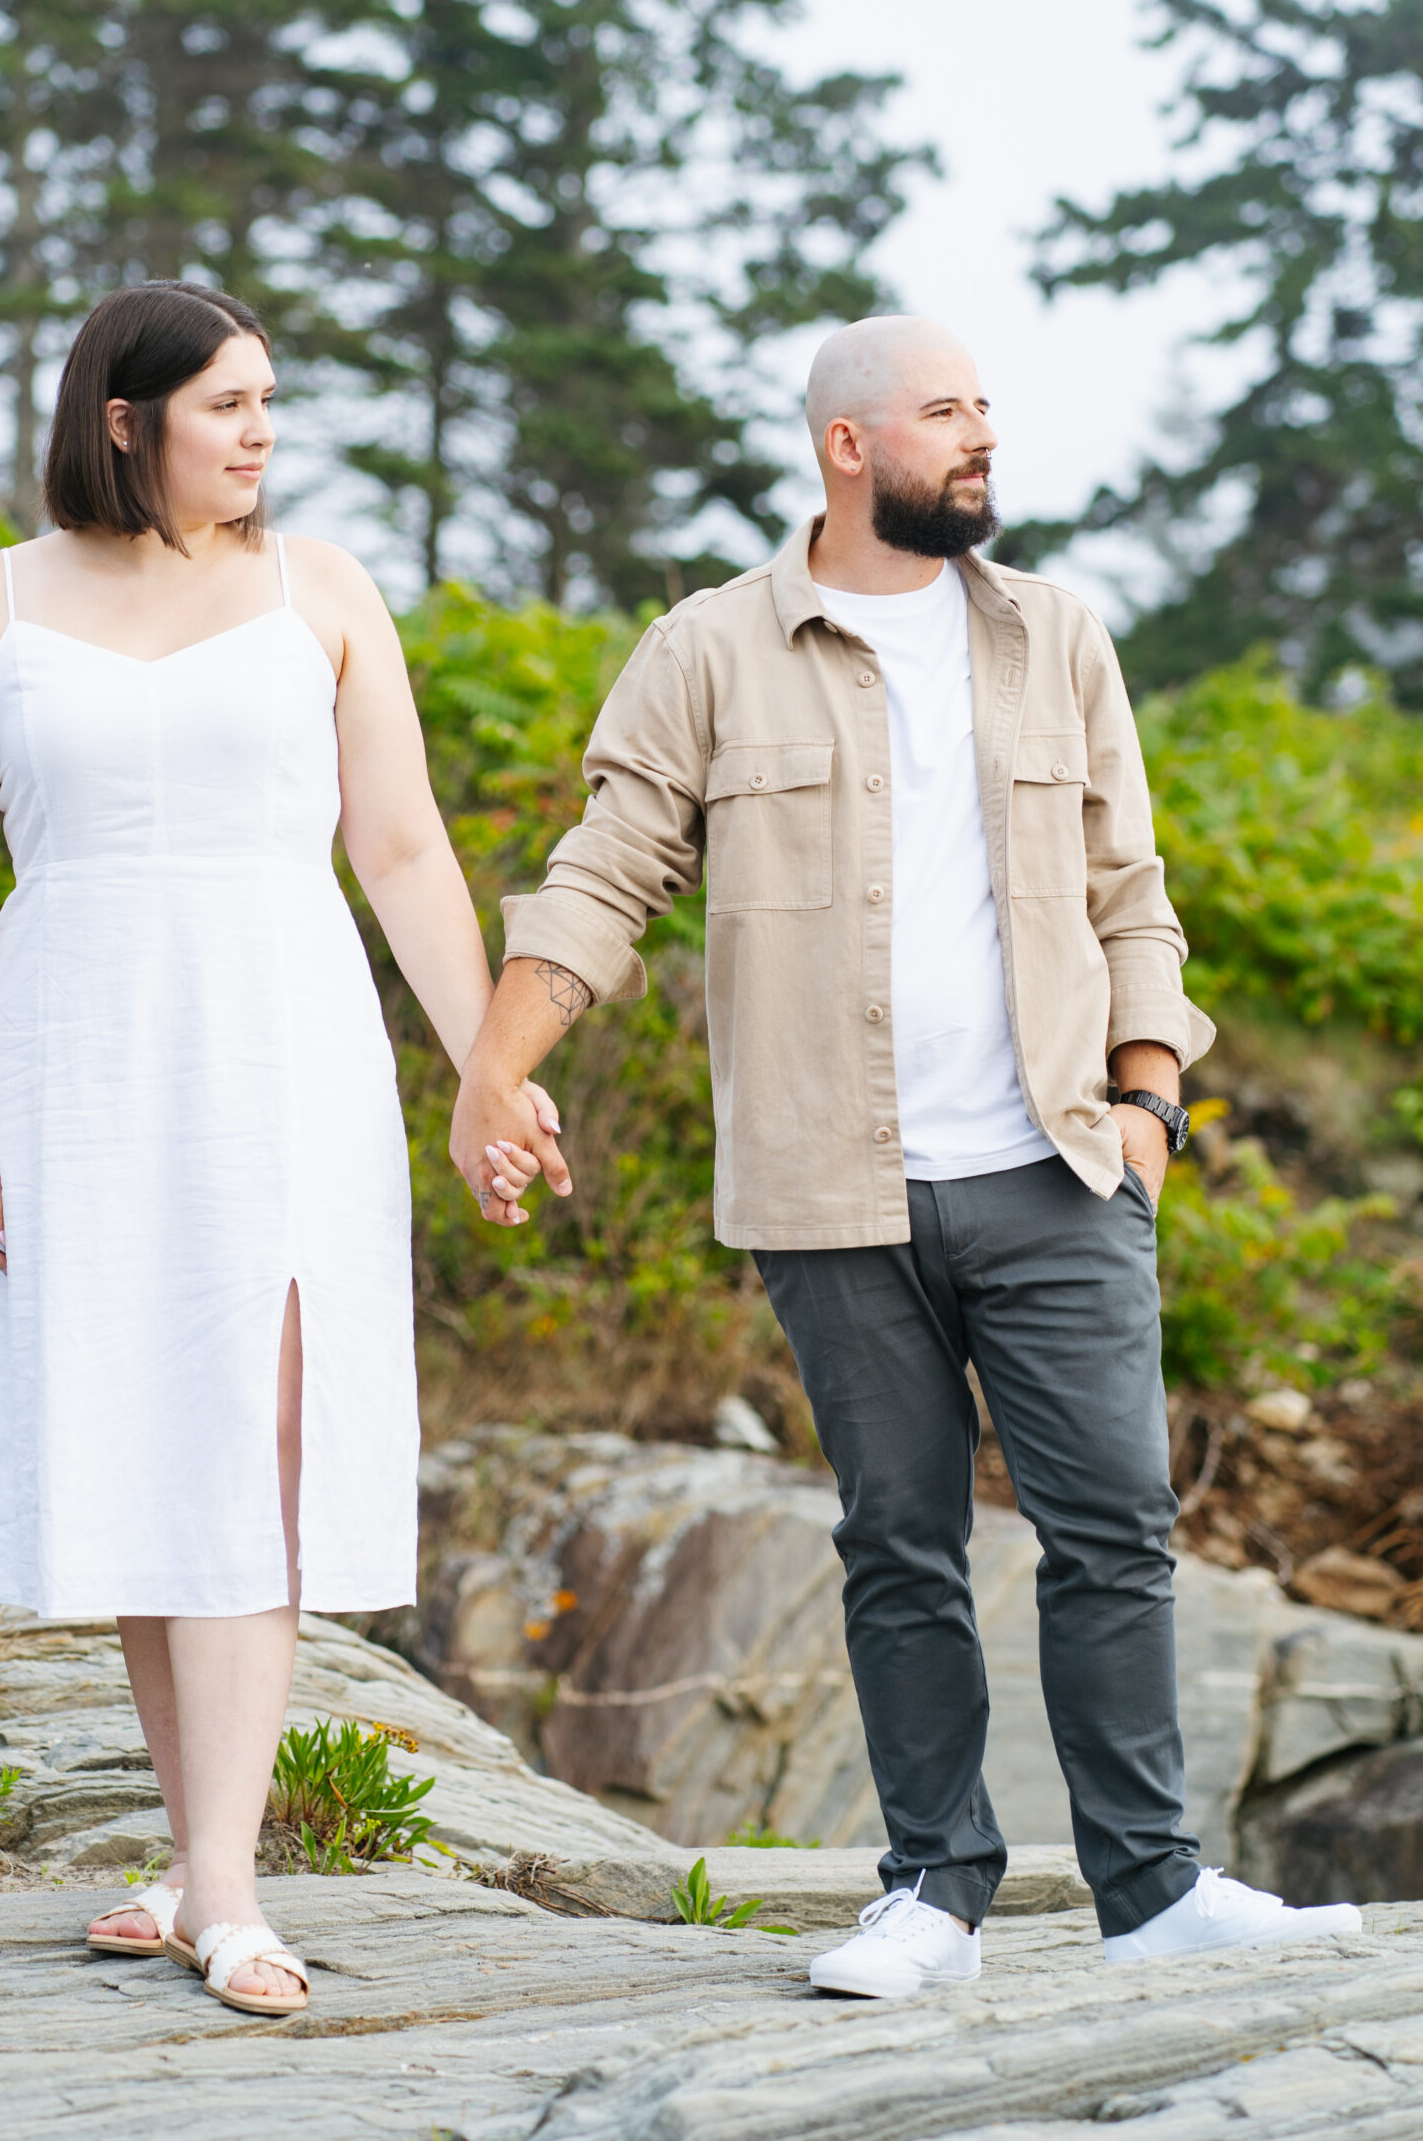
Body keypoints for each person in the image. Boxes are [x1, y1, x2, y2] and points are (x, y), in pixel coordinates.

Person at [449, 313, 1363, 1998]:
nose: (982, 435)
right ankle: (933, 1890)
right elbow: (604, 870)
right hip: (829, 1186)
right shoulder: (711, 649)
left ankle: (1150, 1885)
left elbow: (1129, 892)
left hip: (1058, 1165)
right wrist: (494, 1069)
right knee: (898, 1541)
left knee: (1117, 1530)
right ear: (850, 443)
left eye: (987, 408)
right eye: (947, 411)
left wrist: (1150, 1105)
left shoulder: (1056, 638)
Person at [0, 281, 546, 2017]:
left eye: (272, 401)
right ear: (126, 419)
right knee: (133, 1430)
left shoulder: (320, 590)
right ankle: (199, 1870)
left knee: (267, 1432)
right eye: (230, 405)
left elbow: (402, 851)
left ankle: (230, 1889)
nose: (265, 433)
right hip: (77, 1046)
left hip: (284, 1034)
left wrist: (488, 1060)